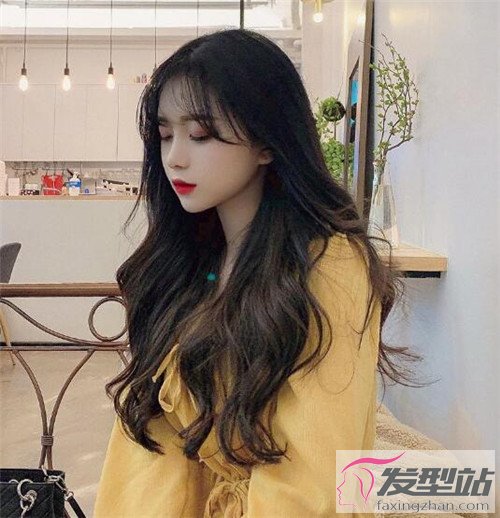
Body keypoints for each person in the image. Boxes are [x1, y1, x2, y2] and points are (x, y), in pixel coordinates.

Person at [94, 28, 418, 518]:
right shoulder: (193, 261)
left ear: (267, 143)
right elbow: (148, 447)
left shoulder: (328, 265)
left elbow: (310, 482)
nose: (174, 157)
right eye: (165, 135)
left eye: (200, 135)